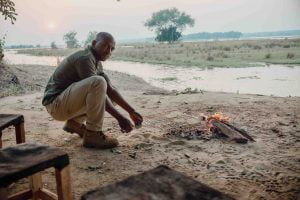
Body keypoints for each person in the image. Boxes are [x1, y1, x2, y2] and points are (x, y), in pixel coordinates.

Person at [42, 32, 143, 149]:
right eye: (106, 46)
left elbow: (111, 90)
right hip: (55, 105)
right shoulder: (85, 58)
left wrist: (131, 111)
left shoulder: (96, 61)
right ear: (94, 43)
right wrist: (120, 118)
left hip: (65, 104)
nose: (109, 52)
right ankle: (93, 135)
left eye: (112, 49)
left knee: (107, 94)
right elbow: (97, 88)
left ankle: (74, 123)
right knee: (98, 82)